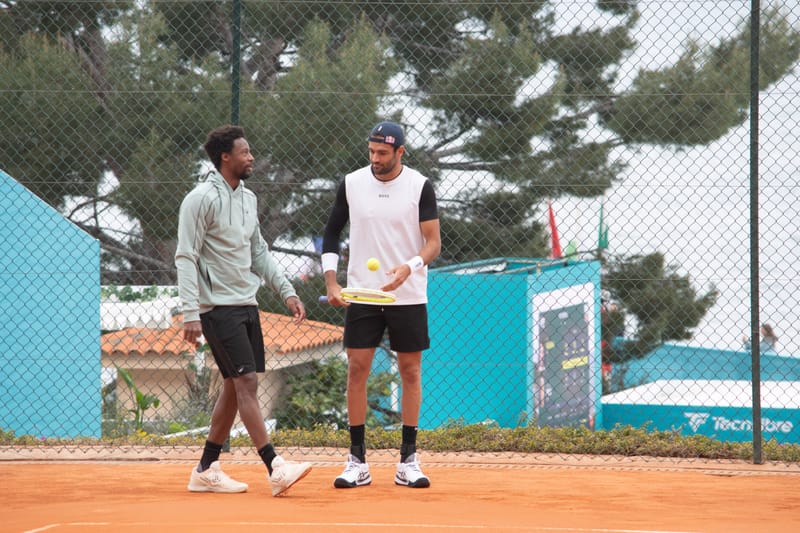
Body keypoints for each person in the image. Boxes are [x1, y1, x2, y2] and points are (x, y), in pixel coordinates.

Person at [175, 125, 312, 496]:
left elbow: (259, 253)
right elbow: (185, 256)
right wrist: (190, 312)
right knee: (247, 382)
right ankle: (275, 466)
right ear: (225, 157)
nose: (251, 158)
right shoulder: (200, 199)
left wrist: (286, 292)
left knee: (235, 389)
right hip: (217, 308)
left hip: (246, 304)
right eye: (245, 152)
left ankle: (205, 468)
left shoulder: (248, 199)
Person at [321, 121, 441, 489]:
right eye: (371, 151)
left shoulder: (420, 186)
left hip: (408, 295)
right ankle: (357, 461)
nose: (375, 159)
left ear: (400, 152)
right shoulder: (352, 183)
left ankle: (408, 460)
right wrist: (331, 281)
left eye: (383, 153)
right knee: (357, 370)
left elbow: (433, 243)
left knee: (411, 373)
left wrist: (410, 267)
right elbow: (331, 233)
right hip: (362, 294)